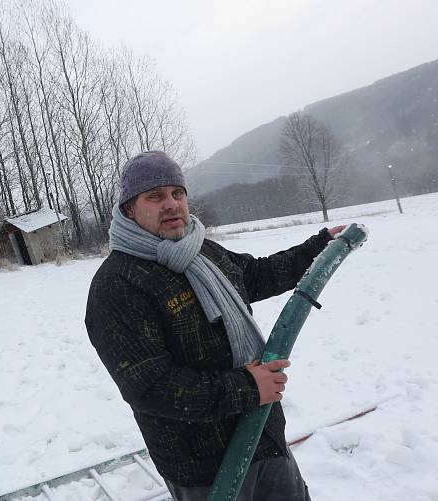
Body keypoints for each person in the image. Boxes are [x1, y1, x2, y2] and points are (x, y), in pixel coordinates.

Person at [85, 151, 346, 501]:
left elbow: (254, 275)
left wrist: (315, 248)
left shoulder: (202, 251)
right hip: (202, 467)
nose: (171, 204)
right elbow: (150, 386)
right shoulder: (117, 286)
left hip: (263, 435)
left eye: (177, 193)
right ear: (130, 209)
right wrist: (247, 388)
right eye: (155, 196)